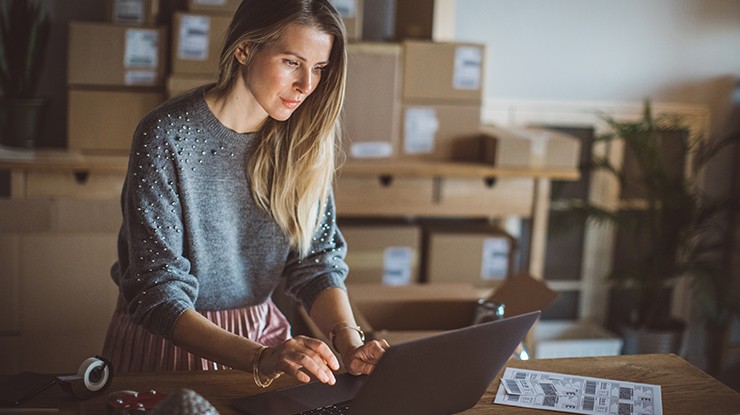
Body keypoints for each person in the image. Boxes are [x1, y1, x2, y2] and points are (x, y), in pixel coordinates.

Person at [102, 0, 389, 387]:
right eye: (292, 62)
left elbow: (316, 264)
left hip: (264, 339)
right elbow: (158, 293)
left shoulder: (302, 141)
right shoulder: (165, 135)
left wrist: (349, 342)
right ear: (245, 49)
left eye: (318, 68)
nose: (306, 85)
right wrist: (260, 358)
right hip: (170, 345)